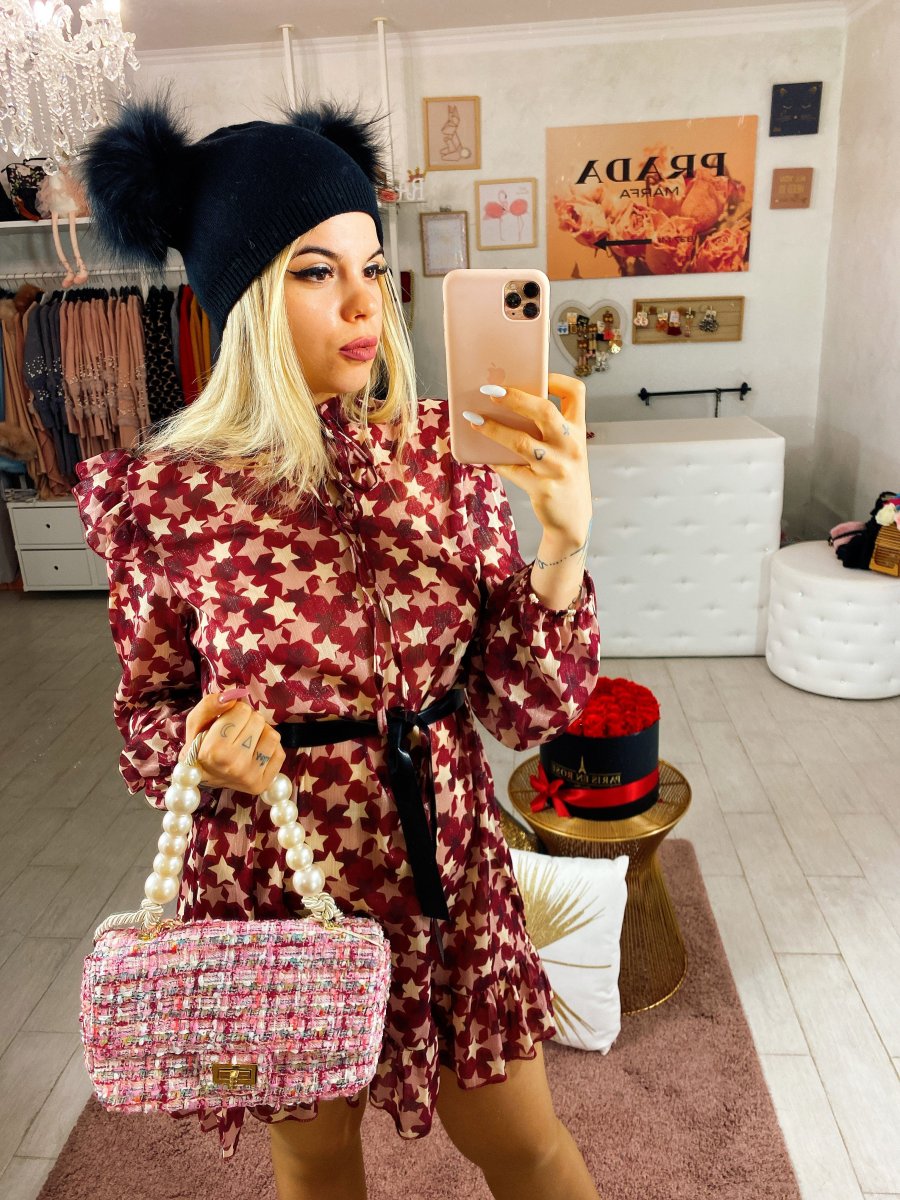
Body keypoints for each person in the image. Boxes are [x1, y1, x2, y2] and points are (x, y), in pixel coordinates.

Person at [72, 85, 602, 1200]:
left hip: (448, 868)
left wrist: (562, 542)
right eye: (316, 272)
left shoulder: (448, 456)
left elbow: (522, 711)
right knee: (315, 1162)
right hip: (278, 878)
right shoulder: (168, 500)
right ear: (245, 297)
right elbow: (144, 722)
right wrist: (200, 748)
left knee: (526, 1143)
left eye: (371, 263)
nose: (366, 303)